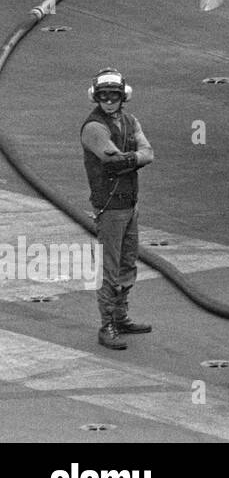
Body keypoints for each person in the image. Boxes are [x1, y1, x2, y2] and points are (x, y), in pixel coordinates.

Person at [81, 68, 154, 350]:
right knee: (111, 269)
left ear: (123, 96)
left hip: (129, 204)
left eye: (114, 95)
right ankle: (107, 324)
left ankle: (120, 316)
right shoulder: (94, 128)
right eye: (103, 96)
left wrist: (131, 157)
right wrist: (135, 157)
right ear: (95, 97)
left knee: (127, 264)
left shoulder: (129, 120)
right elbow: (114, 160)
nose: (109, 101)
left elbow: (149, 153)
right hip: (110, 207)